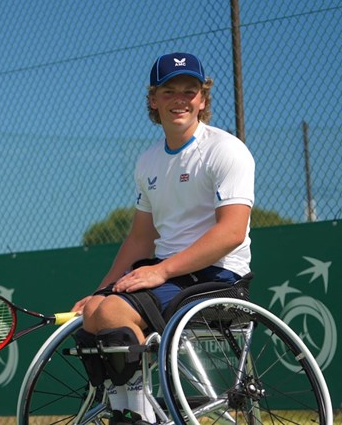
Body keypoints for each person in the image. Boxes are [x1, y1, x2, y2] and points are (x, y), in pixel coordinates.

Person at [71, 52, 255, 425]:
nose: (180, 100)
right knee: (94, 312)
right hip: (169, 276)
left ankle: (135, 415)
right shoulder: (148, 162)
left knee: (112, 312)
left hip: (218, 276)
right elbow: (141, 239)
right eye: (169, 91)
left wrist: (161, 271)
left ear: (203, 99)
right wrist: (101, 289)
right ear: (153, 100)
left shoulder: (226, 150)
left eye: (190, 91)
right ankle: (126, 409)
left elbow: (232, 232)